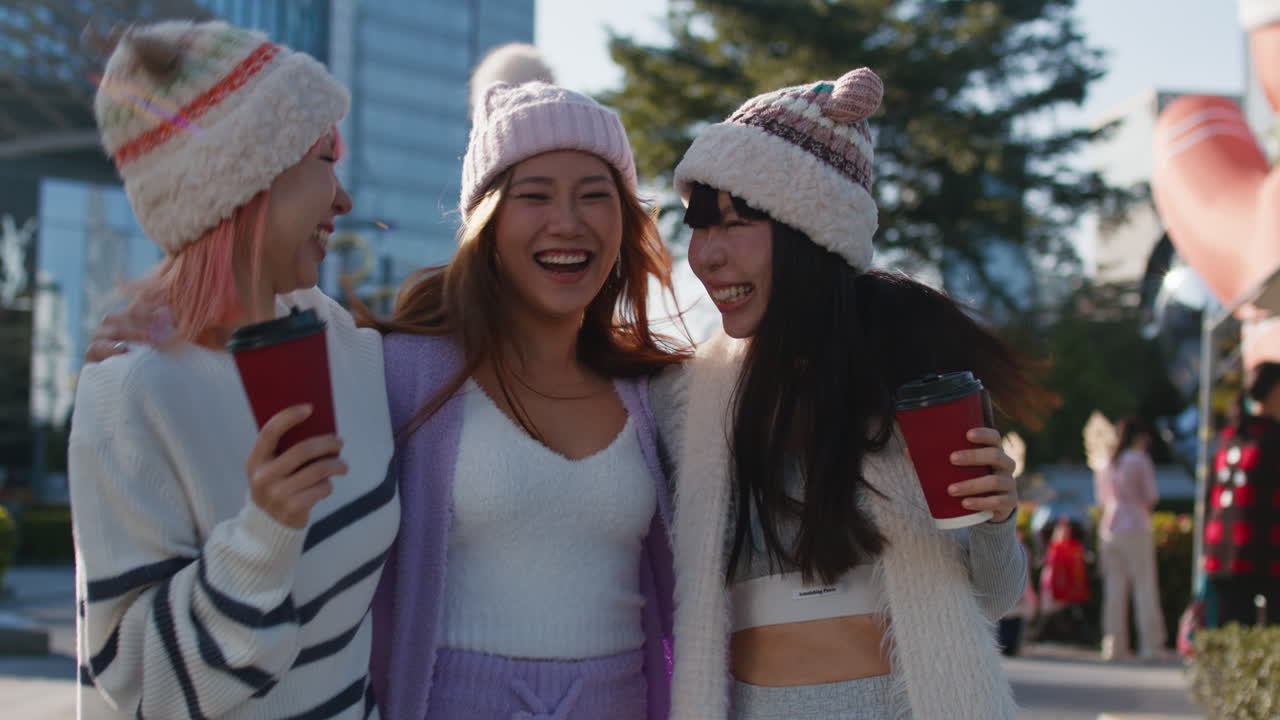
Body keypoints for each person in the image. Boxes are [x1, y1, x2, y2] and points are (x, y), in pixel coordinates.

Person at [650, 68, 1053, 719]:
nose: (707, 256)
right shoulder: (687, 399)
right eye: (702, 227)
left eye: (735, 224)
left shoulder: (912, 373)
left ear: (810, 231)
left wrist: (998, 519)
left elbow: (994, 596)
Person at [70, 20, 394, 719]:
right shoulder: (131, 392)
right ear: (247, 186)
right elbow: (137, 689)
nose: (344, 199)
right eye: (323, 157)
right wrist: (263, 535)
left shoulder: (342, 339)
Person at [363, 45, 690, 720]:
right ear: (486, 223)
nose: (566, 222)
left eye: (594, 196)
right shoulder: (398, 370)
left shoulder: (662, 391)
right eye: (533, 195)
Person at [1203, 361, 1280, 627]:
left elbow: (1209, 495)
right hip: (1263, 548)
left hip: (1222, 547)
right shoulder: (1272, 437)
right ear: (1275, 392)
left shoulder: (1229, 436)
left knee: (1233, 627)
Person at [1094, 416, 1166, 661]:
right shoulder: (1139, 460)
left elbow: (1102, 500)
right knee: (1144, 586)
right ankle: (1151, 645)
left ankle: (1113, 645)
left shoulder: (1104, 463)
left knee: (1114, 588)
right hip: (1136, 524)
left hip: (1110, 527)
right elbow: (1150, 496)